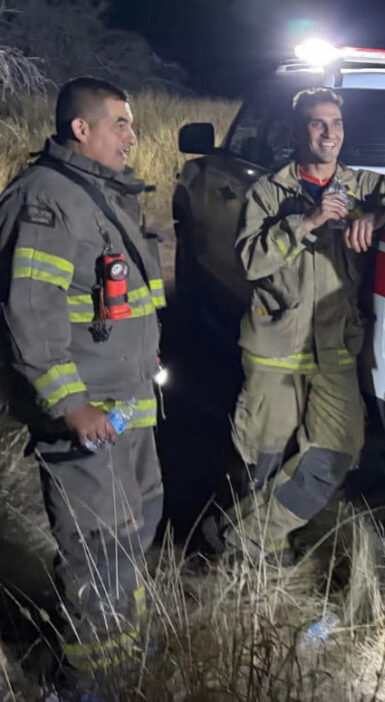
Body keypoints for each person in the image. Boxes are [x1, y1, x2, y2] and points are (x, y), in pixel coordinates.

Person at [218, 88, 385, 561]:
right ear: (297, 131)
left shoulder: (360, 185)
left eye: (337, 124)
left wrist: (384, 212)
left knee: (336, 452)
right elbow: (249, 261)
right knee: (264, 457)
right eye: (318, 124)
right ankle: (259, 558)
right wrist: (308, 222)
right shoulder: (269, 191)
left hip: (334, 347)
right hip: (275, 348)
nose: (330, 133)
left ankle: (248, 535)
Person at [0, 77, 166, 687]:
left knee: (137, 524)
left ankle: (126, 655)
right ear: (81, 129)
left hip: (128, 405)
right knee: (99, 547)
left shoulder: (102, 195)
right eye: (120, 124)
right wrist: (70, 404)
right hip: (87, 414)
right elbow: (29, 315)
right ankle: (90, 683)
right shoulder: (47, 199)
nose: (132, 137)